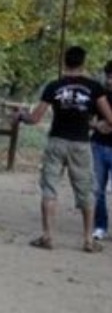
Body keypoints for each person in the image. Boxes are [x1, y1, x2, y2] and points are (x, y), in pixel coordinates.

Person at [15, 46, 112, 253]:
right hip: (81, 144)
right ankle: (88, 240)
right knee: (86, 190)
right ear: (83, 63)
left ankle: (48, 236)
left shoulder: (54, 86)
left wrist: (21, 116)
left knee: (49, 188)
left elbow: (35, 118)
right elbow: (110, 118)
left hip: (57, 141)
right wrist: (97, 125)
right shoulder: (94, 88)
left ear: (64, 62)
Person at [91, 60, 112, 241]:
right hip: (98, 145)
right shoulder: (99, 95)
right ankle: (100, 226)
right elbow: (84, 116)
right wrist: (96, 125)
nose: (110, 80)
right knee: (97, 189)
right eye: (108, 76)